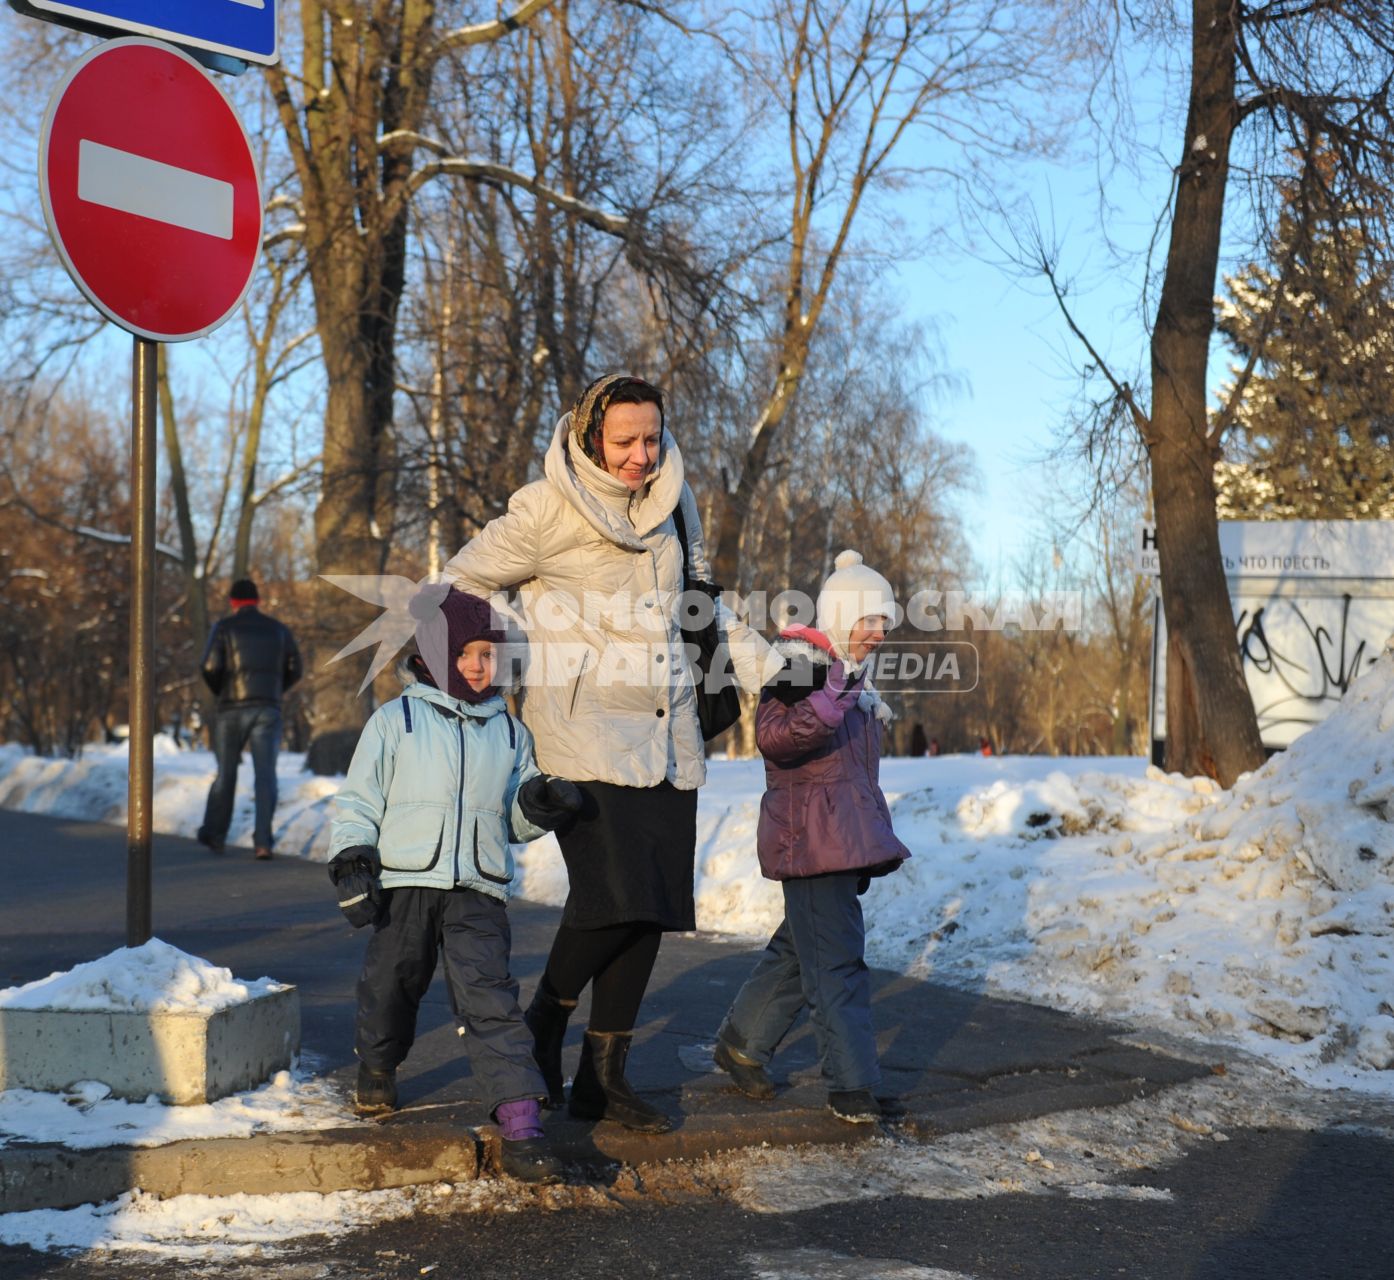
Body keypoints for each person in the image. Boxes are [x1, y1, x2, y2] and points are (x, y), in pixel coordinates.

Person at [443, 373, 771, 1133]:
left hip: (667, 732)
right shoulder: (545, 507)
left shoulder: (675, 499)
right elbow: (459, 585)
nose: (640, 455)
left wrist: (774, 668)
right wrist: (521, 655)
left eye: (651, 438)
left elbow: (703, 609)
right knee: (608, 900)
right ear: (593, 435)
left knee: (648, 909)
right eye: (624, 440)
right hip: (582, 735)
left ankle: (603, 1077)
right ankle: (546, 1020)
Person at [327, 587, 583, 1184]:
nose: (477, 664)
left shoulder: (510, 733)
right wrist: (353, 860)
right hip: (406, 879)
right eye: (465, 652)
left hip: (478, 887)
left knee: (491, 999)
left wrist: (539, 804)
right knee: (392, 983)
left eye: (487, 654)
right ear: (436, 652)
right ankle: (379, 1067)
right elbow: (359, 802)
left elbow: (513, 822)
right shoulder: (397, 720)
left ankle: (522, 1125)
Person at [713, 550, 910, 1124]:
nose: (878, 633)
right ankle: (853, 1087)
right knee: (838, 962)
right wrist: (832, 698)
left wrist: (868, 842)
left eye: (884, 624)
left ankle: (742, 1043)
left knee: (802, 951)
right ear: (843, 613)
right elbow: (774, 738)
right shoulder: (801, 665)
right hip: (811, 841)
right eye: (869, 620)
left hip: (833, 841)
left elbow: (851, 776)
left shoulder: (850, 678)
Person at [197, 577, 302, 860]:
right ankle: (263, 842)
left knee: (226, 773)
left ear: (233, 602)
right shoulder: (278, 630)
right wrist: (275, 690)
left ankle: (215, 835)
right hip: (267, 708)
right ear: (257, 601)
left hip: (231, 708)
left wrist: (222, 690)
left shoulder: (223, 628)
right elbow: (296, 667)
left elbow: (209, 666)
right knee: (265, 775)